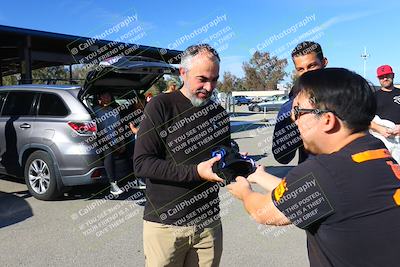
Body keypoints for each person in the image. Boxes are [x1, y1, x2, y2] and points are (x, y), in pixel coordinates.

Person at [228, 68, 400, 266]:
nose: (293, 119)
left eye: (299, 111)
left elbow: (264, 213)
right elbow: (309, 192)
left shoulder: (325, 170)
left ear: (327, 120)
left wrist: (244, 192)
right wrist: (259, 176)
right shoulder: (377, 153)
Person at [133, 44, 231, 267]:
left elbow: (221, 157)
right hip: (166, 227)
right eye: (202, 79)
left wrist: (235, 163)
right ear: (182, 73)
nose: (209, 87)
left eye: (214, 79)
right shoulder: (160, 106)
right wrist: (196, 172)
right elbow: (142, 164)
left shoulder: (218, 113)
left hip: (208, 226)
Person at [272, 41, 328, 164]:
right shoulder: (289, 107)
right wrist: (294, 121)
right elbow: (282, 157)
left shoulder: (345, 95)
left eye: (312, 66)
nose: (307, 73)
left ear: (324, 62)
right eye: (301, 69)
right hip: (312, 178)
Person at [93, 91, 124, 195]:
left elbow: (119, 128)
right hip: (102, 141)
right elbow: (101, 133)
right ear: (99, 98)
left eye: (108, 96)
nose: (107, 98)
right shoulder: (95, 111)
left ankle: (137, 178)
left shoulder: (113, 111)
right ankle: (113, 184)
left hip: (114, 141)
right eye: (104, 96)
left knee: (132, 148)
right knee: (109, 152)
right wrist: (115, 146)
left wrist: (122, 143)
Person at [369, 65, 400, 162]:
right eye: (381, 77)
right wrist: (379, 129)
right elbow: (364, 119)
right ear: (378, 79)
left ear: (393, 75)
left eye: (387, 75)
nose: (385, 78)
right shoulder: (373, 97)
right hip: (381, 138)